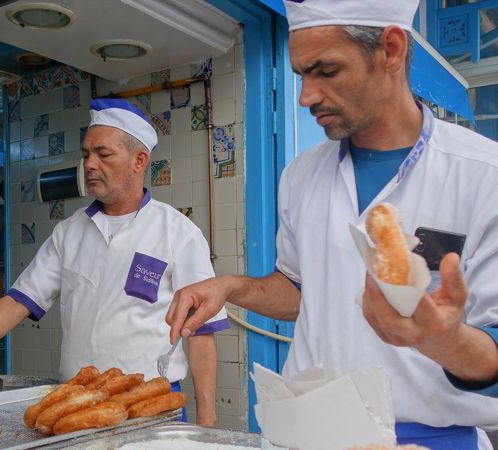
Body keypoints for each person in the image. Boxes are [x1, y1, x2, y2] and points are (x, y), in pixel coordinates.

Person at [165, 0, 498, 448]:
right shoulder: (301, 176)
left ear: (391, 50)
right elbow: (303, 291)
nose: (306, 97)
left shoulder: (482, 176)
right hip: (306, 435)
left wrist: (444, 339)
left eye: (326, 71)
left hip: (429, 438)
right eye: (301, 74)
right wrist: (231, 287)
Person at [0, 98, 229, 425]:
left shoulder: (177, 233)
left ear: (139, 160)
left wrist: (207, 421)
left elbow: (200, 333)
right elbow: (17, 303)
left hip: (150, 402)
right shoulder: (69, 232)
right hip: (78, 400)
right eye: (86, 153)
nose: (89, 164)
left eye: (103, 154)